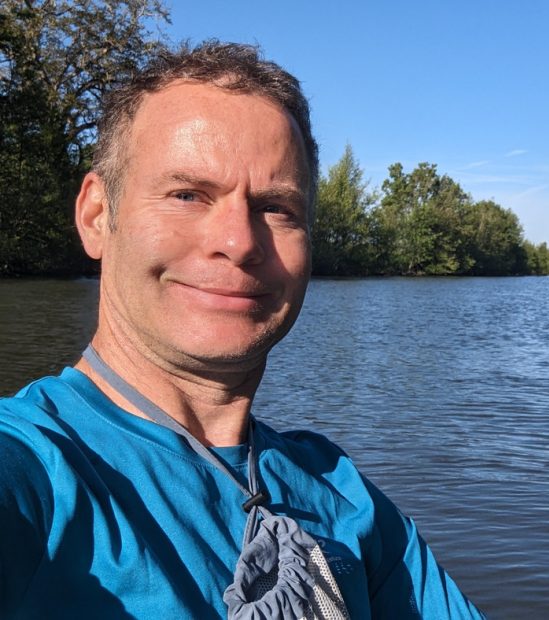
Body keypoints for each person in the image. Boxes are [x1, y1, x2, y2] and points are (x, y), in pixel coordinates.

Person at [0, 41, 485, 619]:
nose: (239, 242)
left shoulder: (337, 488)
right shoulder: (35, 468)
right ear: (97, 216)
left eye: (276, 208)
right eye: (187, 194)